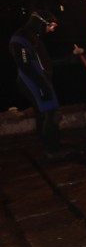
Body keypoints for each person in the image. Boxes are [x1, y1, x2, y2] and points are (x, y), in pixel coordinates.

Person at [10, 10, 61, 154]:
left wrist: (71, 58)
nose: (51, 30)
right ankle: (52, 150)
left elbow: (44, 62)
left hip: (38, 79)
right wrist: (41, 86)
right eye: (50, 26)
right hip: (31, 80)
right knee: (50, 113)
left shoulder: (33, 37)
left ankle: (50, 145)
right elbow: (25, 65)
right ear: (41, 23)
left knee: (44, 113)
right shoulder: (20, 37)